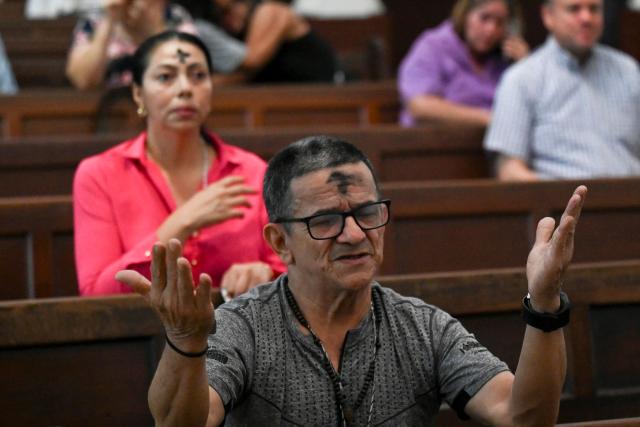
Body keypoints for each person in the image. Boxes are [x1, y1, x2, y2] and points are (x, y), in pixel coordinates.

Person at [117, 134, 588, 426]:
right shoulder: (242, 325)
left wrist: (545, 306)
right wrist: (184, 341)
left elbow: (524, 419)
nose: (354, 234)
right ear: (280, 242)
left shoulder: (423, 327)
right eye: (326, 220)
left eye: (367, 213)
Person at [73, 30, 285, 297]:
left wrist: (266, 274)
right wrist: (182, 223)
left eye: (198, 76)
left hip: (238, 332)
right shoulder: (99, 174)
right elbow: (96, 295)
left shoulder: (251, 171)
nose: (185, 88)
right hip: (144, 334)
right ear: (138, 94)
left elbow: (292, 271)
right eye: (166, 77)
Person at [484, 0, 640, 180]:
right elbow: (509, 171)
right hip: (559, 203)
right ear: (548, 16)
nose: (586, 18)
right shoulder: (522, 78)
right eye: (574, 9)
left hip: (631, 200)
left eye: (594, 9)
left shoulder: (628, 71)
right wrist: (565, 201)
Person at [398, 0, 529, 127]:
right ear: (465, 15)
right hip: (433, 144)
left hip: (491, 145)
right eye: (484, 18)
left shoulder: (506, 58)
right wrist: (488, 118)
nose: (491, 29)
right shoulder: (433, 46)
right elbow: (420, 106)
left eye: (500, 22)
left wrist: (527, 67)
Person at [180, 0, 339, 84]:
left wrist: (204, 83)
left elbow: (252, 63)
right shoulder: (224, 28)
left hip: (327, 93)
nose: (228, 19)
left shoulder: (270, 11)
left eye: (230, 9)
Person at [66, 0, 196, 90]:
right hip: (109, 116)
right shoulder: (94, 21)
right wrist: (110, 20)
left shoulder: (176, 17)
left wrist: (153, 31)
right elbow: (82, 80)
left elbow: (190, 71)